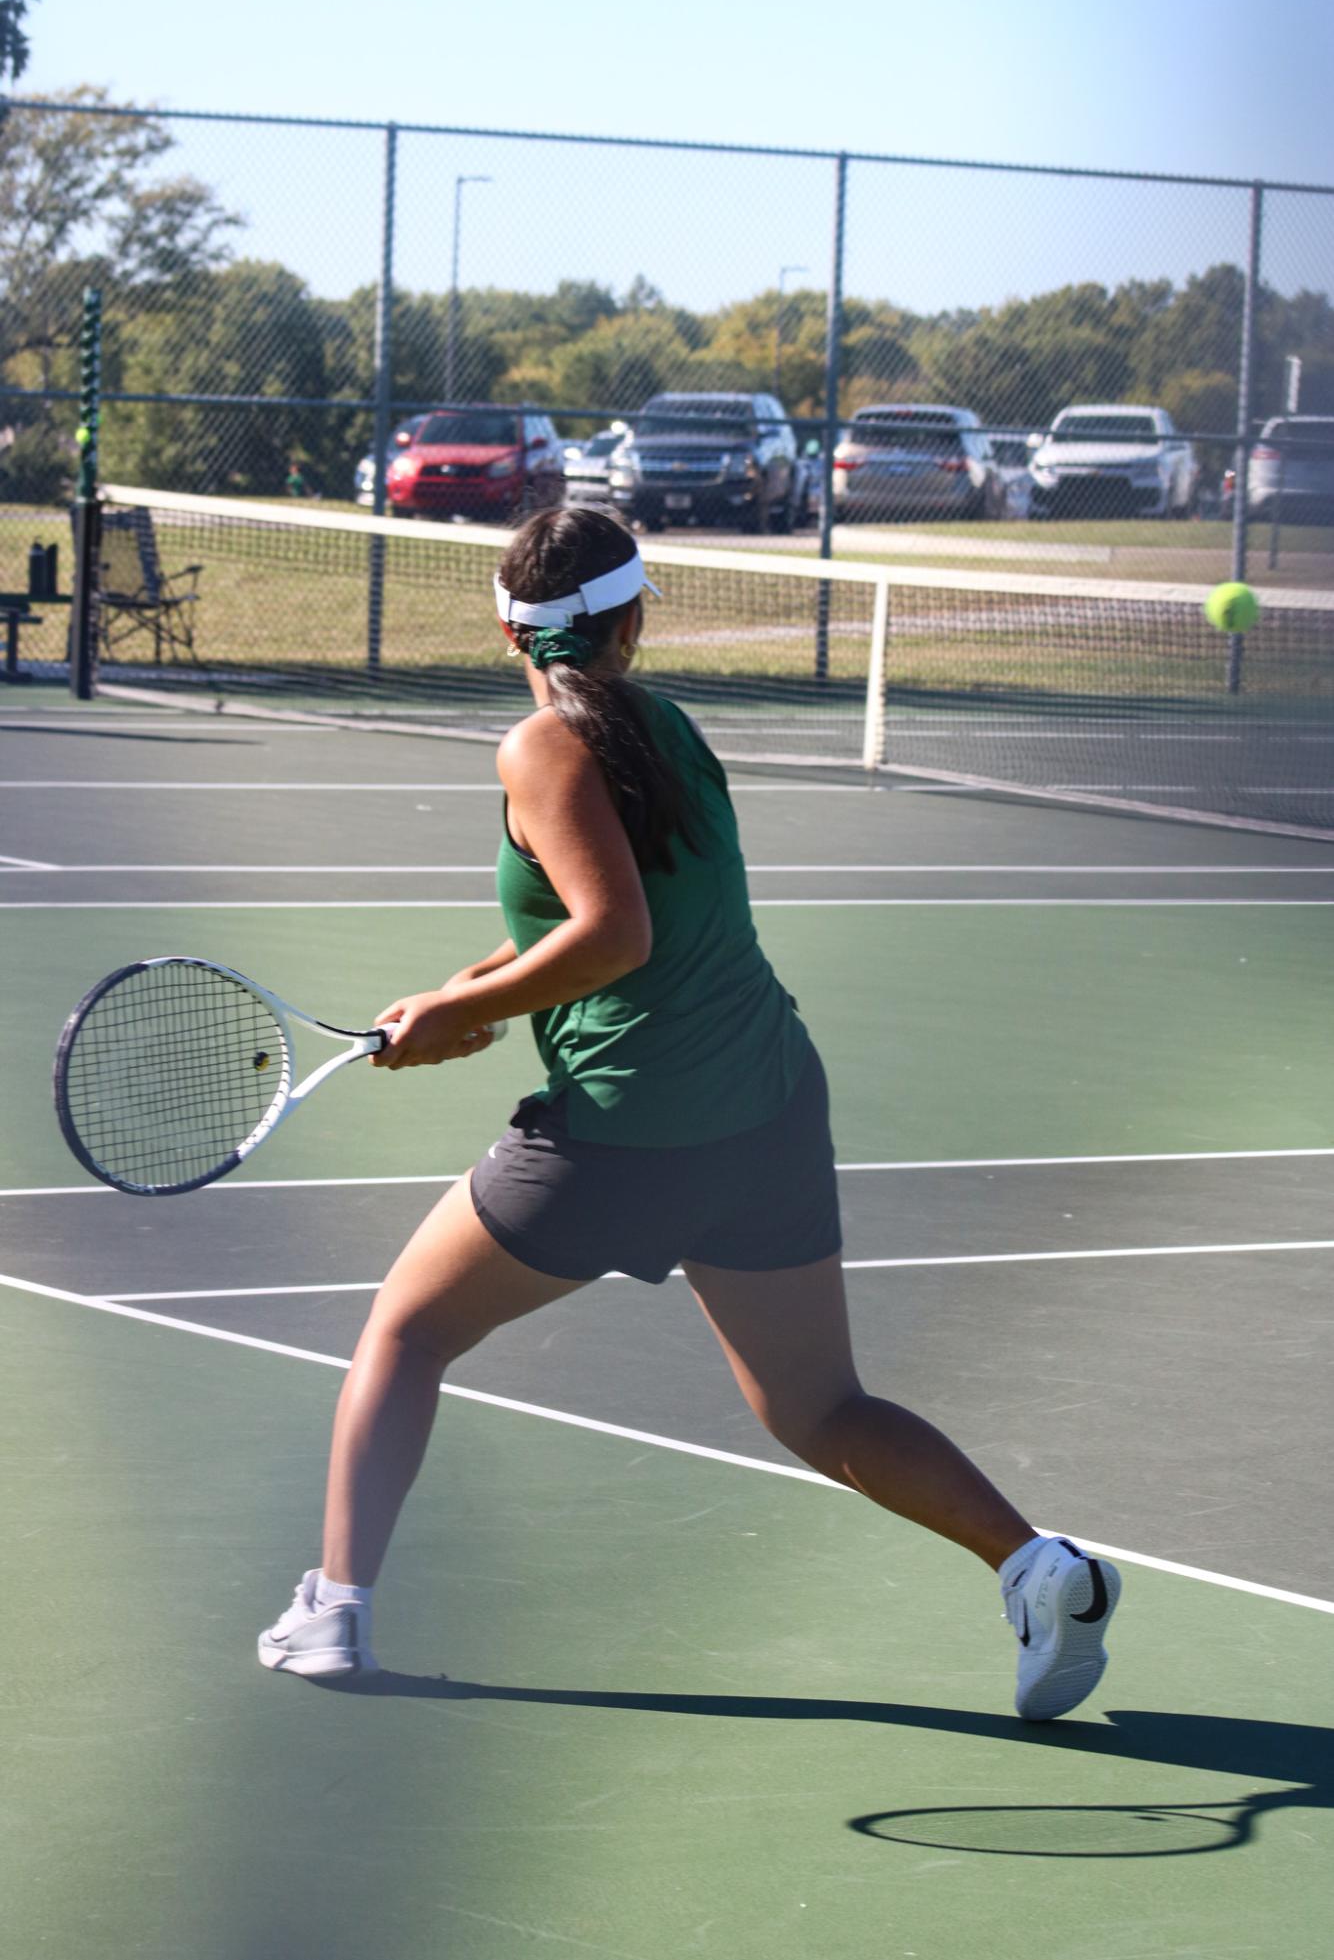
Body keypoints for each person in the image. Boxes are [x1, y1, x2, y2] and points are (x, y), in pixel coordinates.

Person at [258, 505, 1120, 1719]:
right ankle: (1041, 1571)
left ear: (508, 625)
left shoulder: (541, 746)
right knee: (820, 1406)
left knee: (405, 1333)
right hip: (763, 1108)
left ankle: (330, 1615)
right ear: (634, 618)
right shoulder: (666, 728)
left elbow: (615, 934)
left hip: (621, 1130)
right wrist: (469, 996)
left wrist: (475, 1009)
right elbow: (609, 923)